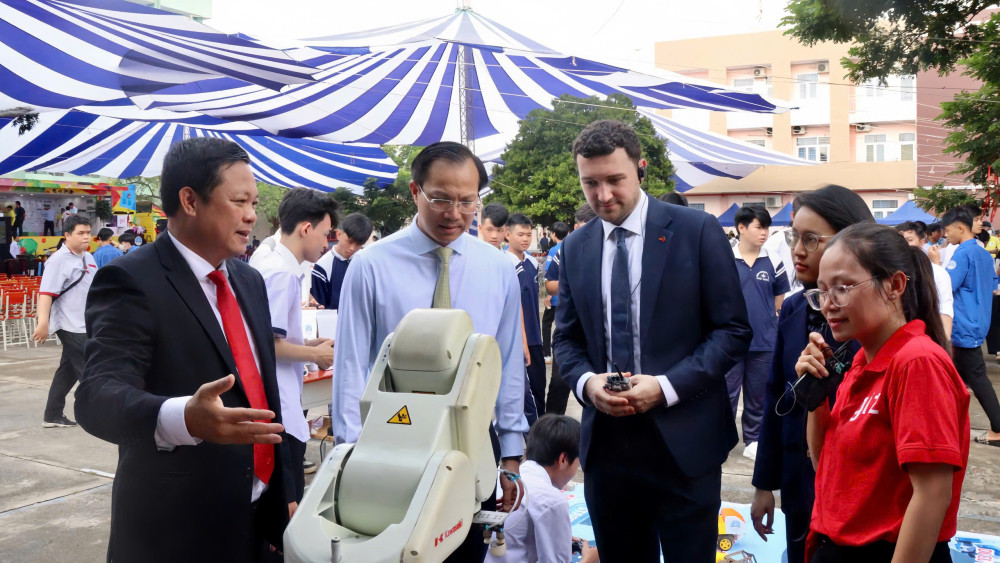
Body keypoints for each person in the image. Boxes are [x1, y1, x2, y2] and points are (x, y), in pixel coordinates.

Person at [74, 137, 294, 561]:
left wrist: (281, 492)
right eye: (239, 201)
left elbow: (263, 395)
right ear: (190, 201)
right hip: (176, 531)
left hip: (257, 520)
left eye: (253, 203)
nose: (252, 215)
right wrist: (183, 418)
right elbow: (96, 396)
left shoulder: (248, 281)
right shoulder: (132, 280)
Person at [553, 120, 751, 561]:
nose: (603, 195)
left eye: (615, 179)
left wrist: (664, 387)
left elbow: (733, 331)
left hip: (686, 442)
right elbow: (566, 340)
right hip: (608, 449)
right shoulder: (576, 247)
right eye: (590, 183)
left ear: (640, 169)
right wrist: (587, 383)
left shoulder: (696, 231)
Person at [331, 141, 528, 562]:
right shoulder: (371, 266)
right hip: (390, 444)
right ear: (415, 191)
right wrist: (351, 453)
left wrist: (511, 453)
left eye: (467, 201)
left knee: (462, 552)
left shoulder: (498, 270)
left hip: (472, 447)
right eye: (440, 199)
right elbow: (351, 366)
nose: (454, 213)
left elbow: (508, 364)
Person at [800, 222, 969, 562]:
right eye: (822, 291)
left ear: (895, 285)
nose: (828, 304)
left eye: (842, 288)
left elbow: (932, 493)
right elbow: (824, 467)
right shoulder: (860, 364)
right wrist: (815, 396)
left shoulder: (917, 362)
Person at [751, 184, 872, 563]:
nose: (798, 250)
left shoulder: (874, 320)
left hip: (856, 493)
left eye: (811, 239)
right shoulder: (793, 309)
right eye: (794, 237)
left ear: (850, 241)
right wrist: (765, 484)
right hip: (798, 484)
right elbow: (776, 395)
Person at [253, 188, 338, 503]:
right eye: (325, 234)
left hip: (276, 403)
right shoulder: (282, 274)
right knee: (286, 505)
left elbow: (275, 337)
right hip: (281, 407)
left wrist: (309, 343)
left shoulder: (273, 263)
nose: (326, 243)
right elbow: (267, 344)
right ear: (306, 228)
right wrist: (315, 354)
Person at [484, 415, 598, 563]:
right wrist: (589, 560)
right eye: (578, 461)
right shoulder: (551, 499)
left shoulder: (504, 478)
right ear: (563, 459)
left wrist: (558, 540)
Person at [729, 206, 789, 461]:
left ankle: (753, 440)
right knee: (727, 394)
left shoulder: (773, 260)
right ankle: (722, 438)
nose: (764, 232)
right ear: (741, 228)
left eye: (766, 227)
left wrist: (765, 321)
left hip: (764, 341)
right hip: (730, 341)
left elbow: (778, 299)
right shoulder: (726, 258)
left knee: (758, 395)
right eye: (759, 227)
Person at [939, 206, 1000, 446]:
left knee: (976, 379)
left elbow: (946, 287)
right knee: (956, 378)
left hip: (963, 326)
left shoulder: (962, 253)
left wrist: (935, 265)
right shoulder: (983, 253)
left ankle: (998, 428)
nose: (946, 235)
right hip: (977, 322)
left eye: (948, 230)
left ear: (960, 227)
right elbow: (992, 285)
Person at [32, 215, 96, 428]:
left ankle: (52, 415)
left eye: (88, 232)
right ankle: (103, 413)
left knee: (67, 371)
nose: (86, 237)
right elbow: (46, 294)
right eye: (81, 233)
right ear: (67, 235)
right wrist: (43, 323)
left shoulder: (88, 257)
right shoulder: (57, 260)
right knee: (91, 369)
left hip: (85, 322)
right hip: (68, 324)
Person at [508, 213, 545, 416]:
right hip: (517, 340)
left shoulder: (532, 262)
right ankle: (533, 433)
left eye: (528, 234)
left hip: (535, 337)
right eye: (520, 234)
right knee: (525, 395)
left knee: (539, 388)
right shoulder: (505, 263)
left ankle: (540, 430)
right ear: (508, 234)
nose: (525, 239)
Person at [895, 221, 953, 338]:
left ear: (922, 242)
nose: (904, 245)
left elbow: (945, 309)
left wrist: (944, 341)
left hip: (928, 336)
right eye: (900, 241)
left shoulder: (937, 272)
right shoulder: (891, 273)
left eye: (909, 240)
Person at [310, 212, 372, 310]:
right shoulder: (322, 267)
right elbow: (318, 304)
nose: (352, 248)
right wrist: (316, 305)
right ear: (339, 234)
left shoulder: (367, 263)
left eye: (358, 244)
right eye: (350, 241)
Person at [542, 222, 571, 414]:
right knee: (560, 382)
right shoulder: (565, 249)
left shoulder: (555, 249)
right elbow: (550, 282)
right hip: (566, 317)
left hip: (599, 330)